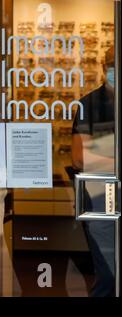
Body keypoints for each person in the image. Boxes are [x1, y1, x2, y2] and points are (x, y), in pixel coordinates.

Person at [71, 46, 115, 297]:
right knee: (108, 272)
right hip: (102, 196)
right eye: (112, 63)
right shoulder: (90, 103)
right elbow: (80, 158)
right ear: (103, 66)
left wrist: (104, 157)